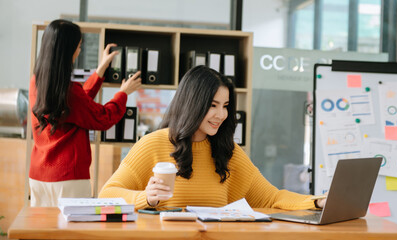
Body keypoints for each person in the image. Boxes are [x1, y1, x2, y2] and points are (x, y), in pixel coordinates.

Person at [99, 65, 326, 210]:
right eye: (213, 105)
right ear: (193, 104)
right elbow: (107, 194)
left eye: (226, 106)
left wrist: (317, 202)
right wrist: (146, 198)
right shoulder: (153, 144)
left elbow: (271, 198)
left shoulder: (229, 152)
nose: (221, 115)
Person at [29, 19, 142, 207]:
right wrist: (123, 94)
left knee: (42, 231)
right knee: (71, 234)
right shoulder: (70, 92)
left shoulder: (37, 83)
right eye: (78, 46)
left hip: (38, 176)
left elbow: (77, 105)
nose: (79, 51)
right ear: (68, 51)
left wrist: (99, 72)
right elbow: (103, 117)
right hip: (68, 179)